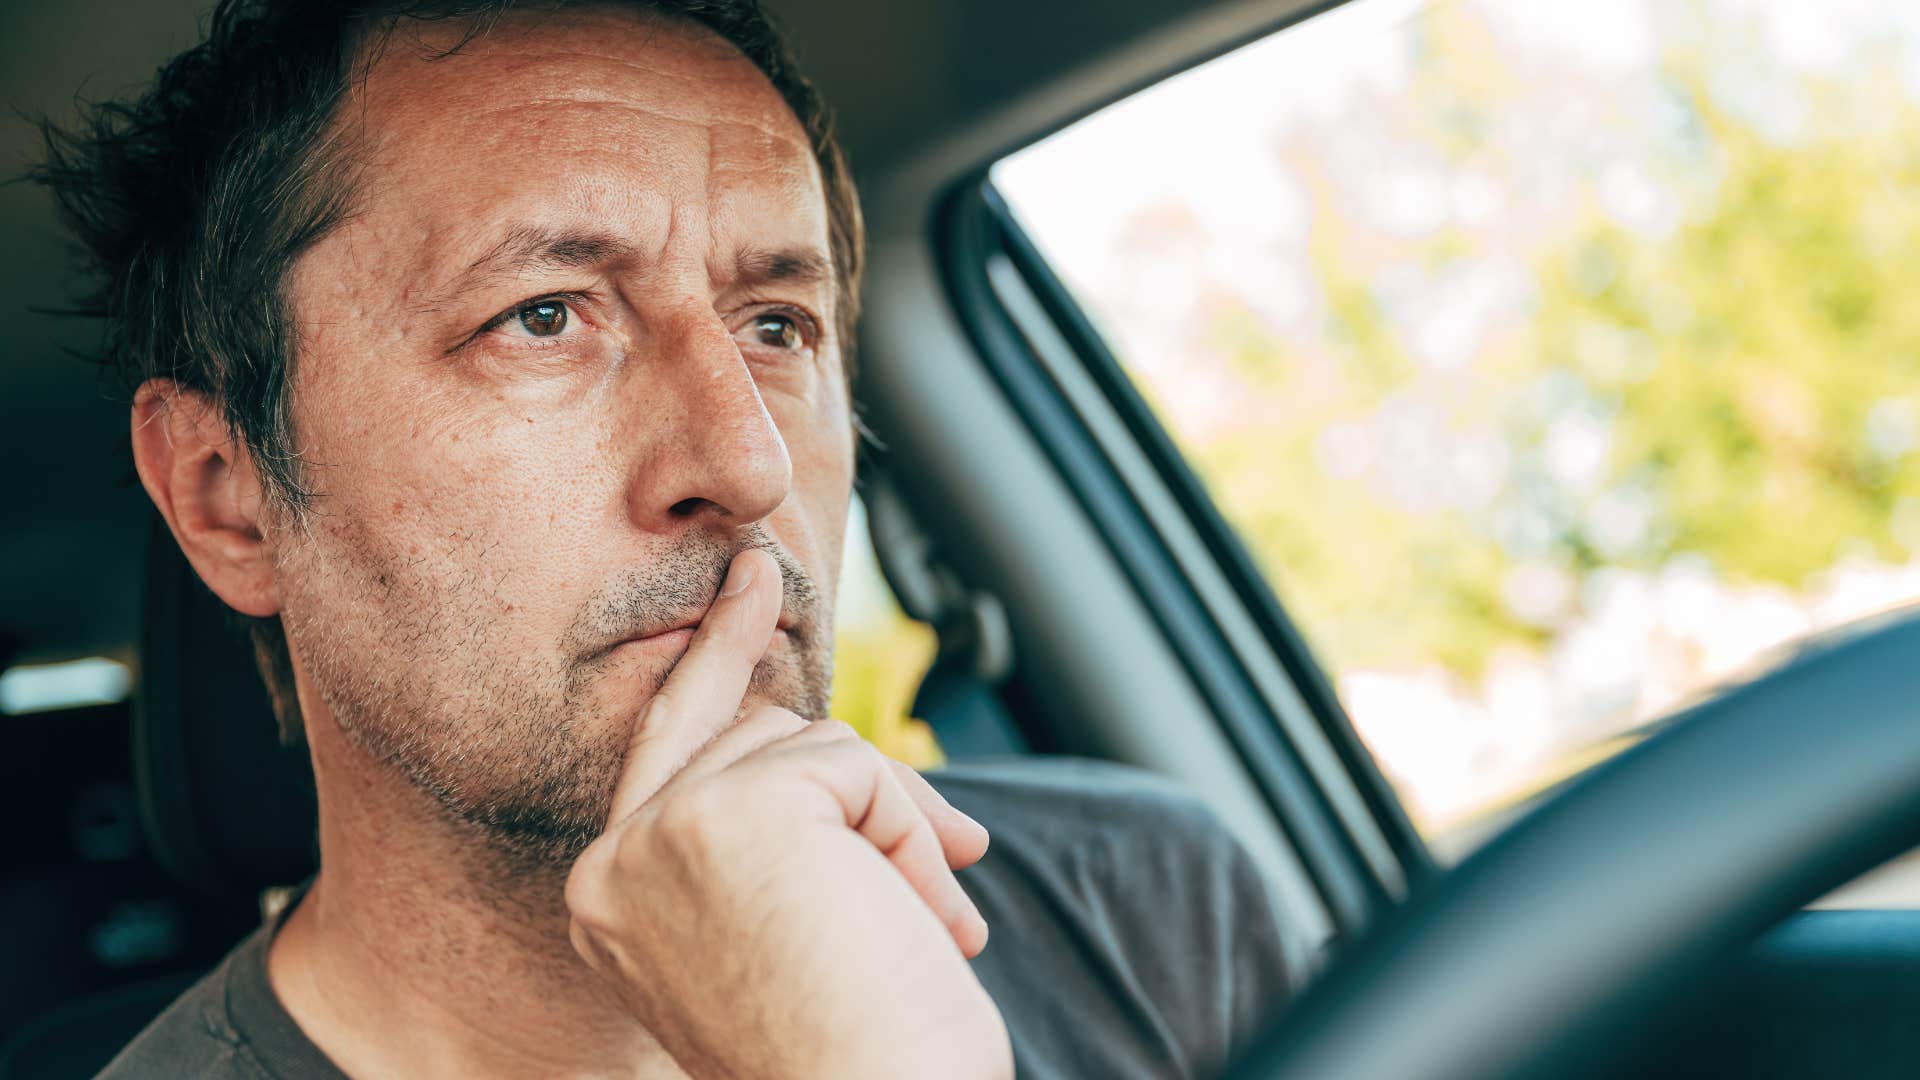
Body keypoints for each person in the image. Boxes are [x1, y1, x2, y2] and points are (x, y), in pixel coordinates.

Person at [34, 1, 1294, 1075]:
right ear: (224, 495)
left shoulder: (1146, 897)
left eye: (778, 327)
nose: (744, 466)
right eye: (541, 316)